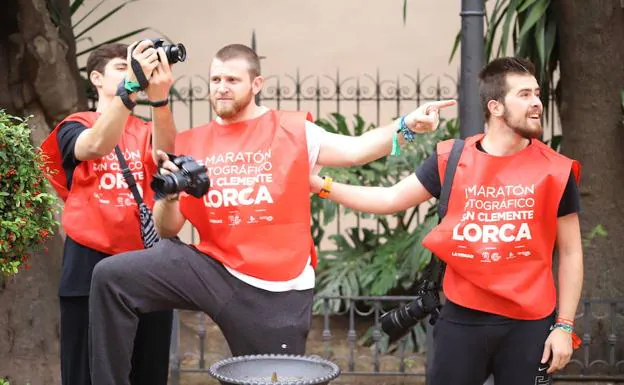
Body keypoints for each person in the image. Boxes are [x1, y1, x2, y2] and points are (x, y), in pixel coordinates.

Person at [86, 43, 456, 385]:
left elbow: (358, 149)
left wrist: (407, 125)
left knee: (274, 379)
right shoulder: (191, 143)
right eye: (215, 79)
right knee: (112, 277)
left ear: (256, 83)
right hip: (211, 268)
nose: (222, 87)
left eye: (232, 79)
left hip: (274, 290)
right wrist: (167, 198)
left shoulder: (292, 129)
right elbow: (169, 230)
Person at [309, 57, 583, 385]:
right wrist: (320, 186)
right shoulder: (451, 159)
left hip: (530, 324)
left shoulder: (556, 169)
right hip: (461, 320)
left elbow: (570, 253)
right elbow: (389, 199)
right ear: (496, 107)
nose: (537, 102)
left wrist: (564, 327)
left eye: (537, 93)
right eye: (524, 95)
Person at [40, 41, 177, 385]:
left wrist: (159, 97)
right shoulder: (74, 125)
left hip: (145, 265)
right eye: (122, 67)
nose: (132, 73)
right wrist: (132, 85)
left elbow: (167, 156)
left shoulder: (146, 129)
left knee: (147, 371)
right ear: (97, 79)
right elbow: (95, 145)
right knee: (86, 373)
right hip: (89, 266)